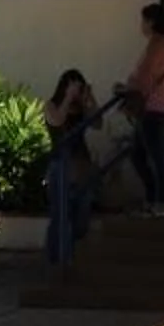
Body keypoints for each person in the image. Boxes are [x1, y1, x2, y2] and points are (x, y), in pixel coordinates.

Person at [116, 1, 164, 217]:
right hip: (162, 107)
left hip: (153, 110)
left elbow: (144, 76)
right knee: (139, 154)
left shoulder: (157, 45)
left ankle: (159, 201)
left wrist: (125, 88)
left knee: (153, 156)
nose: (141, 25)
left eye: (143, 20)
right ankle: (154, 199)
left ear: (151, 22)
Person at [42, 68, 101, 267]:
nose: (76, 91)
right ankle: (57, 260)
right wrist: (68, 98)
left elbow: (98, 123)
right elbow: (57, 121)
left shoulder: (82, 107)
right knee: (60, 215)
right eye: (73, 86)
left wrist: (90, 99)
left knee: (81, 215)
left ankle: (71, 254)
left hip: (81, 165)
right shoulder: (51, 105)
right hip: (61, 165)